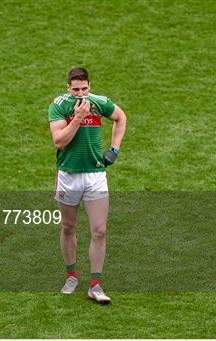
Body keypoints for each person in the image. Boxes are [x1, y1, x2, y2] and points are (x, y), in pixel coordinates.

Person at [48, 67, 127, 304]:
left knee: (99, 231)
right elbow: (59, 141)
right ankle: (71, 275)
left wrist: (114, 149)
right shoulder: (59, 106)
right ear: (68, 88)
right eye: (75, 90)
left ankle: (95, 284)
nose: (80, 94)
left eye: (84, 89)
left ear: (90, 86)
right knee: (68, 227)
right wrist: (79, 118)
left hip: (95, 175)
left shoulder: (100, 102)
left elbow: (121, 117)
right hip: (68, 176)